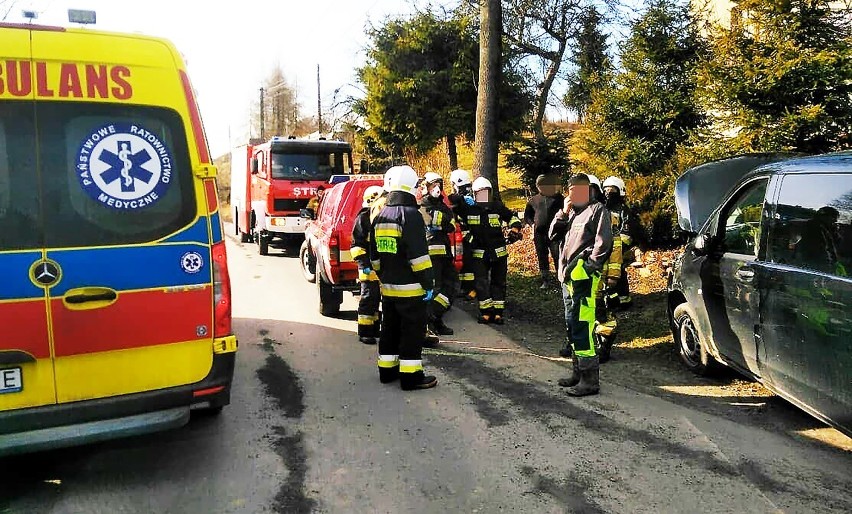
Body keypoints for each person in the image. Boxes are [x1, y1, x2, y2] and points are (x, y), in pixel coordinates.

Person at [370, 165, 438, 390]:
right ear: (411, 187)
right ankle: (411, 377)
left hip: (388, 288)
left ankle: (387, 372)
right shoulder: (411, 216)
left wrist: (384, 276)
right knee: (412, 333)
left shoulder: (380, 216)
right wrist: (428, 283)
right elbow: (418, 257)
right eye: (418, 186)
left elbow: (375, 256)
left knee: (389, 329)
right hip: (411, 289)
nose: (420, 189)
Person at [549, 173, 613, 397]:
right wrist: (563, 212)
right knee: (572, 325)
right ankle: (577, 373)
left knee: (584, 326)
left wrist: (588, 268)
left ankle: (589, 380)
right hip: (567, 279)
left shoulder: (598, 211)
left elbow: (604, 243)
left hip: (583, 278)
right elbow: (551, 234)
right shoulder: (572, 213)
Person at [463, 177, 523, 325]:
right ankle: (486, 313)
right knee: (481, 283)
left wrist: (514, 230)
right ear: (474, 194)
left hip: (498, 253)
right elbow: (462, 228)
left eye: (486, 193)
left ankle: (497, 313)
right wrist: (471, 239)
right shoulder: (469, 208)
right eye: (480, 193)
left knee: (499, 283)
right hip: (479, 253)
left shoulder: (497, 206)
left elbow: (513, 218)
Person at [420, 172, 459, 335]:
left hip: (444, 254)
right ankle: (430, 323)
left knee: (451, 286)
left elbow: (451, 225)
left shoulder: (443, 206)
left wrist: (441, 221)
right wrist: (441, 221)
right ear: (426, 187)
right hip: (430, 255)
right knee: (434, 289)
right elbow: (430, 221)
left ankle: (435, 316)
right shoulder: (421, 206)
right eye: (433, 185)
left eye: (439, 185)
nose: (437, 189)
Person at [351, 185, 384, 345]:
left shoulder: (379, 217)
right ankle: (364, 332)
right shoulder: (363, 217)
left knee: (377, 299)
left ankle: (375, 329)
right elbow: (356, 245)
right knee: (368, 298)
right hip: (367, 267)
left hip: (379, 266)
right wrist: (364, 264)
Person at [524, 174, 564, 289]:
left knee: (558, 255)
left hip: (556, 233)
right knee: (542, 256)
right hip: (539, 234)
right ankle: (545, 280)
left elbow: (567, 212)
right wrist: (532, 225)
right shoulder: (533, 200)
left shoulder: (558, 198)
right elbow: (527, 216)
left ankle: (560, 278)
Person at [602, 176, 635, 308]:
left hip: (620, 246)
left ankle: (624, 299)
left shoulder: (624, 211)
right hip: (606, 247)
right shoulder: (602, 209)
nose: (608, 193)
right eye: (606, 190)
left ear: (620, 191)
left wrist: (616, 248)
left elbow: (626, 233)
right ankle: (610, 298)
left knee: (618, 272)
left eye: (612, 190)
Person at [448, 169, 477, 299]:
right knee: (464, 262)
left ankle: (472, 289)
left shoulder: (468, 196)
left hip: (471, 234)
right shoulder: (462, 196)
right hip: (464, 235)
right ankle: (466, 288)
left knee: (471, 263)